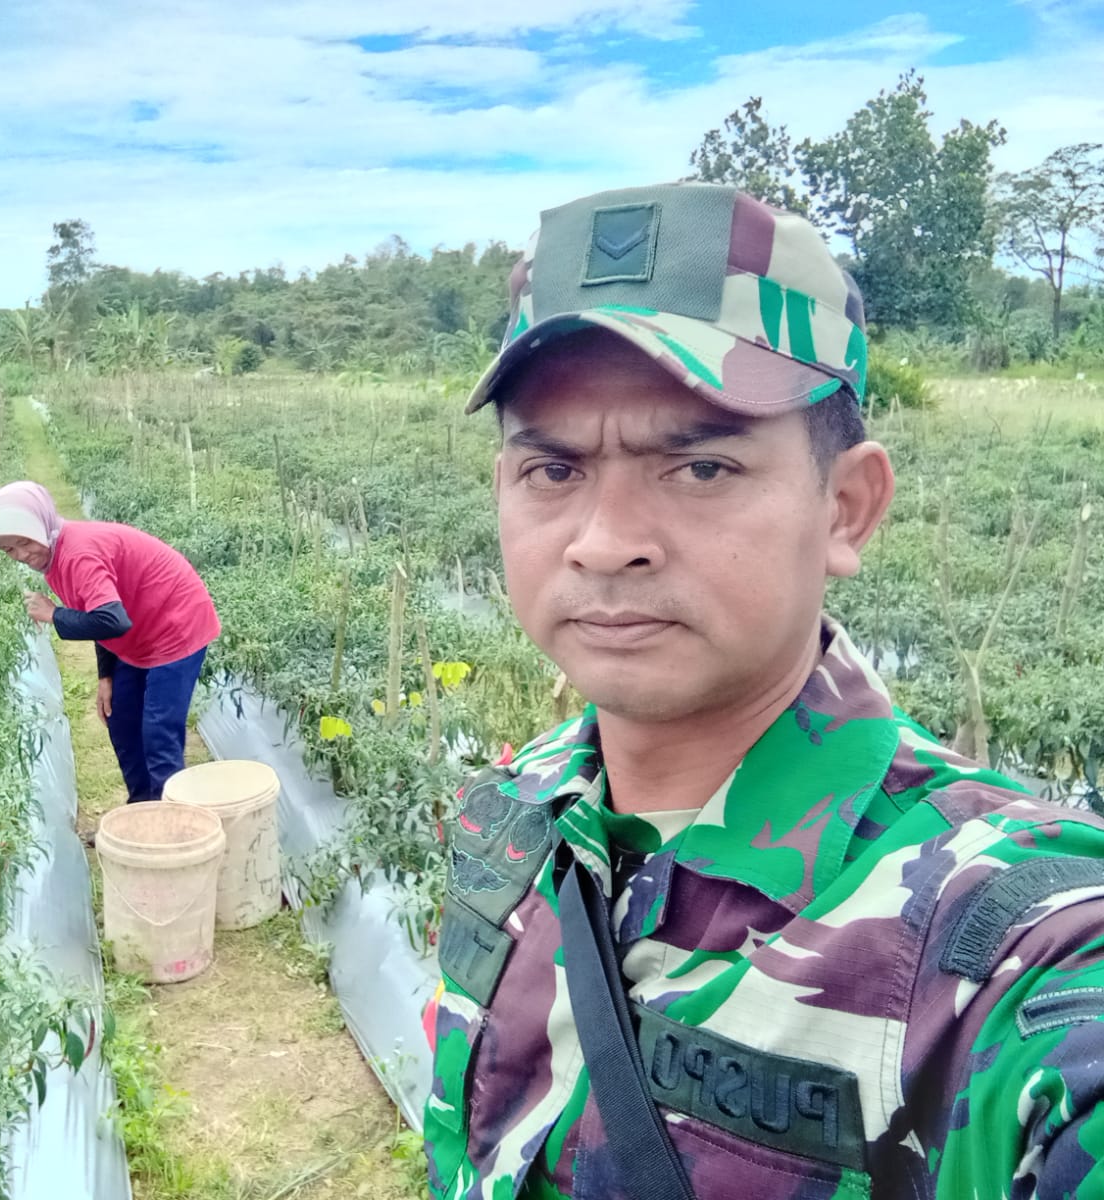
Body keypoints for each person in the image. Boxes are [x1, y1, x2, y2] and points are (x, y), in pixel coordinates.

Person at [424, 183, 1104, 1199]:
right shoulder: (511, 815)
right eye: (552, 471)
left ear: (846, 508)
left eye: (699, 468)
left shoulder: (991, 939)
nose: (604, 542)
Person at [0, 481, 219, 804]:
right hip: (139, 628)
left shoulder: (77, 554)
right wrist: (105, 676)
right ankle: (142, 809)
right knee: (121, 719)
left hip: (175, 623)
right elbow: (96, 612)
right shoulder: (55, 557)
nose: (22, 555)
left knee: (158, 732)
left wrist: (55, 615)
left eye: (25, 542)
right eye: (10, 549)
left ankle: (172, 831)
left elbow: (112, 619)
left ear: (43, 524)